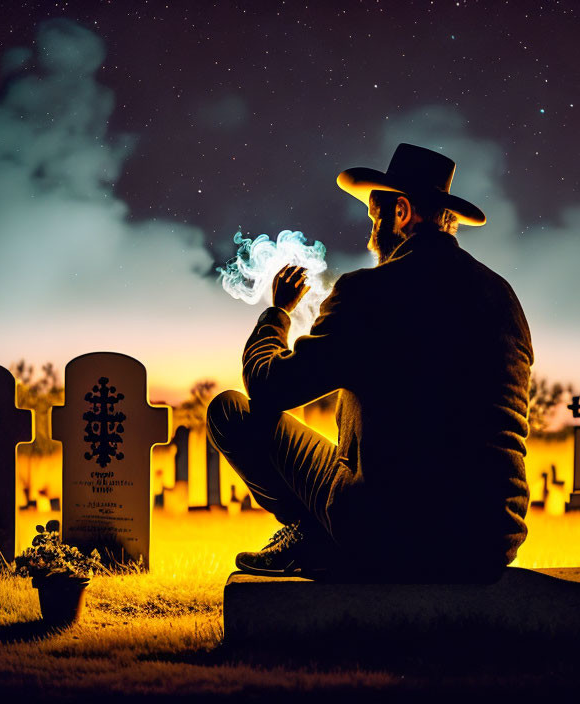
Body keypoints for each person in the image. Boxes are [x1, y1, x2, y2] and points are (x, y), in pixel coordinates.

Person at [207, 143, 533, 581]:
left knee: (231, 411)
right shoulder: (502, 296)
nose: (371, 233)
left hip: (394, 533)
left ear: (401, 212)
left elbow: (269, 387)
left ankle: (313, 534)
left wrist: (278, 313)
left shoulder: (368, 292)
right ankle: (320, 536)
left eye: (374, 218)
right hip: (489, 540)